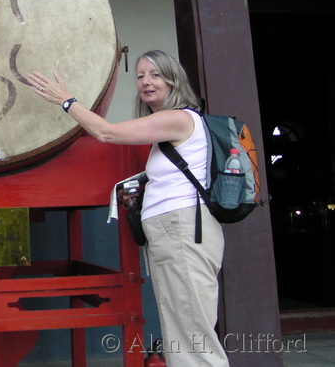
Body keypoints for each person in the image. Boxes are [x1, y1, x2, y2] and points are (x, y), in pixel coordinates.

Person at [27, 50, 229, 367]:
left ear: (174, 80)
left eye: (156, 74)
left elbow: (108, 133)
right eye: (140, 75)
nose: (146, 81)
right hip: (173, 232)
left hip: (184, 230)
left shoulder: (180, 118)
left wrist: (66, 101)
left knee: (193, 334)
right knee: (180, 330)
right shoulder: (163, 129)